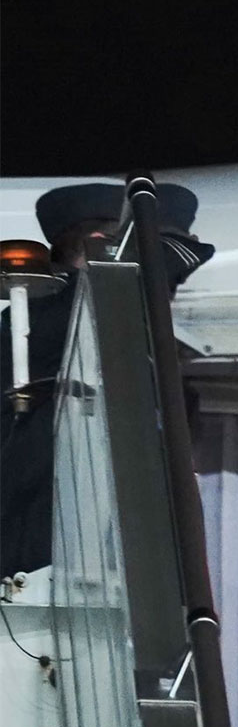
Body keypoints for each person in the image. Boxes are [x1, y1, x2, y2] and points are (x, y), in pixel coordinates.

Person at [2, 183, 211, 577]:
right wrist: (141, 252)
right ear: (106, 250)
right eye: (165, 279)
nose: (169, 293)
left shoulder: (124, 345)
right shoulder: (41, 326)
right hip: (39, 580)